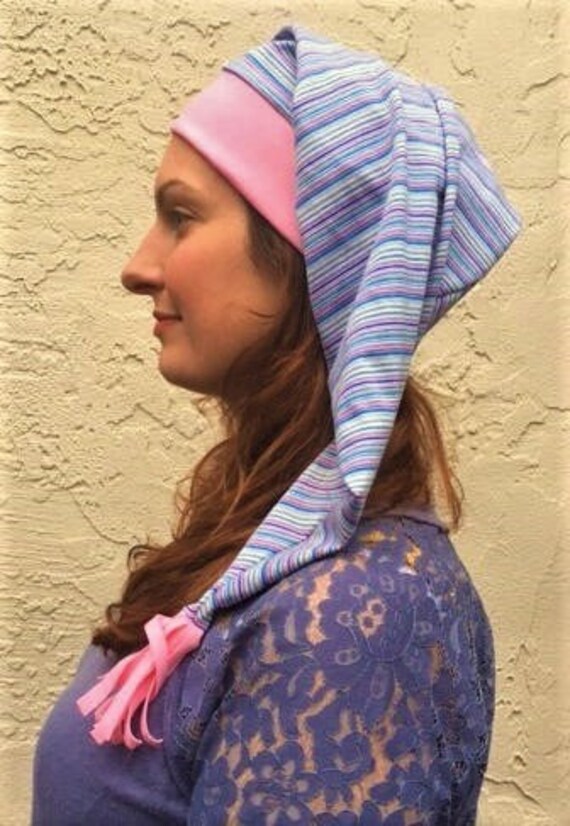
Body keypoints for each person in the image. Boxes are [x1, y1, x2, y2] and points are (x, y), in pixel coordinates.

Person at [32, 24, 521, 825]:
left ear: (309, 255)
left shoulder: (356, 614)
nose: (138, 267)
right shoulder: (270, 549)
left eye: (180, 216)